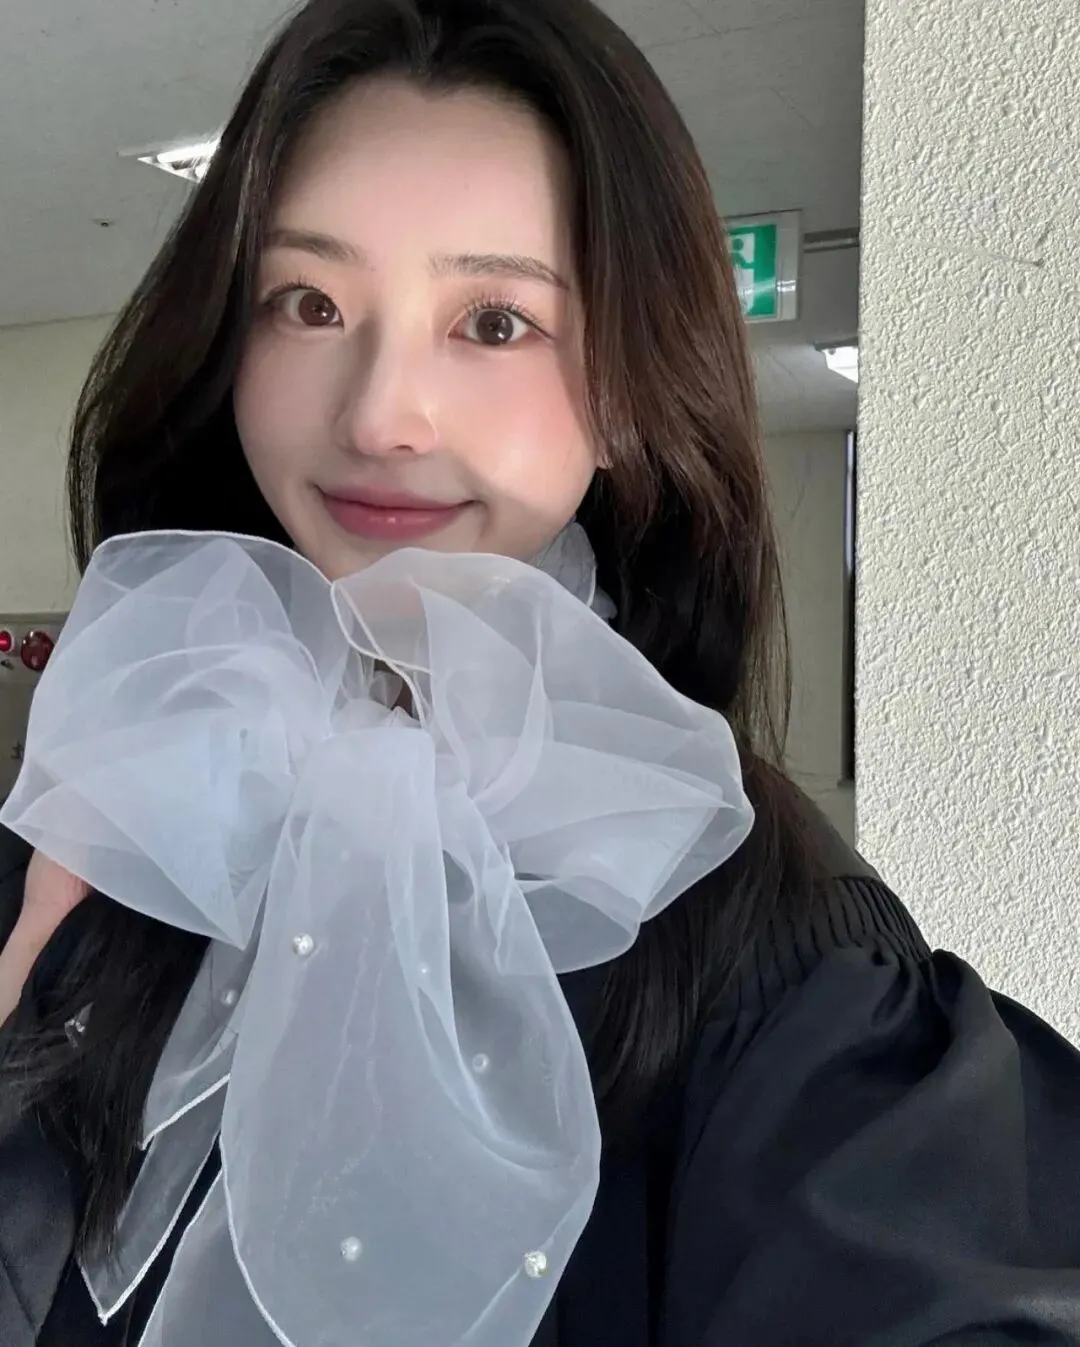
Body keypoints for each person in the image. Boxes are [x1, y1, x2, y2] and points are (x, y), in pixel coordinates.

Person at [2, 0, 1080, 1343]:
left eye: (498, 322)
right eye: (311, 303)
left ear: (630, 389)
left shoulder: (778, 961)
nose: (380, 414)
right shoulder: (116, 816)